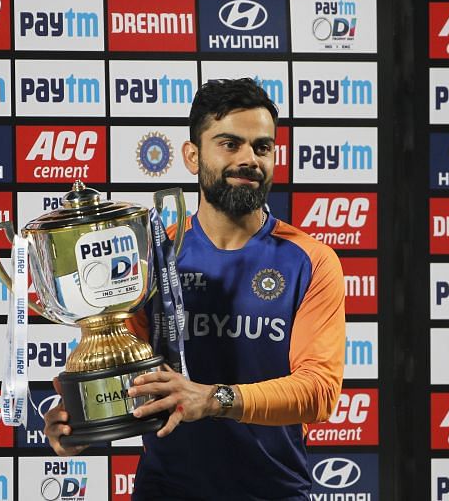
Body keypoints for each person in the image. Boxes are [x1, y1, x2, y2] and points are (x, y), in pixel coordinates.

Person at [44, 78, 346, 500]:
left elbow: (319, 391)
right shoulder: (150, 259)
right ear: (192, 155)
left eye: (262, 147)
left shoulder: (310, 260)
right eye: (229, 143)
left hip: (274, 491)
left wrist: (213, 398)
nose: (249, 159)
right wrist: (83, 418)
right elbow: (127, 372)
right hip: (167, 489)